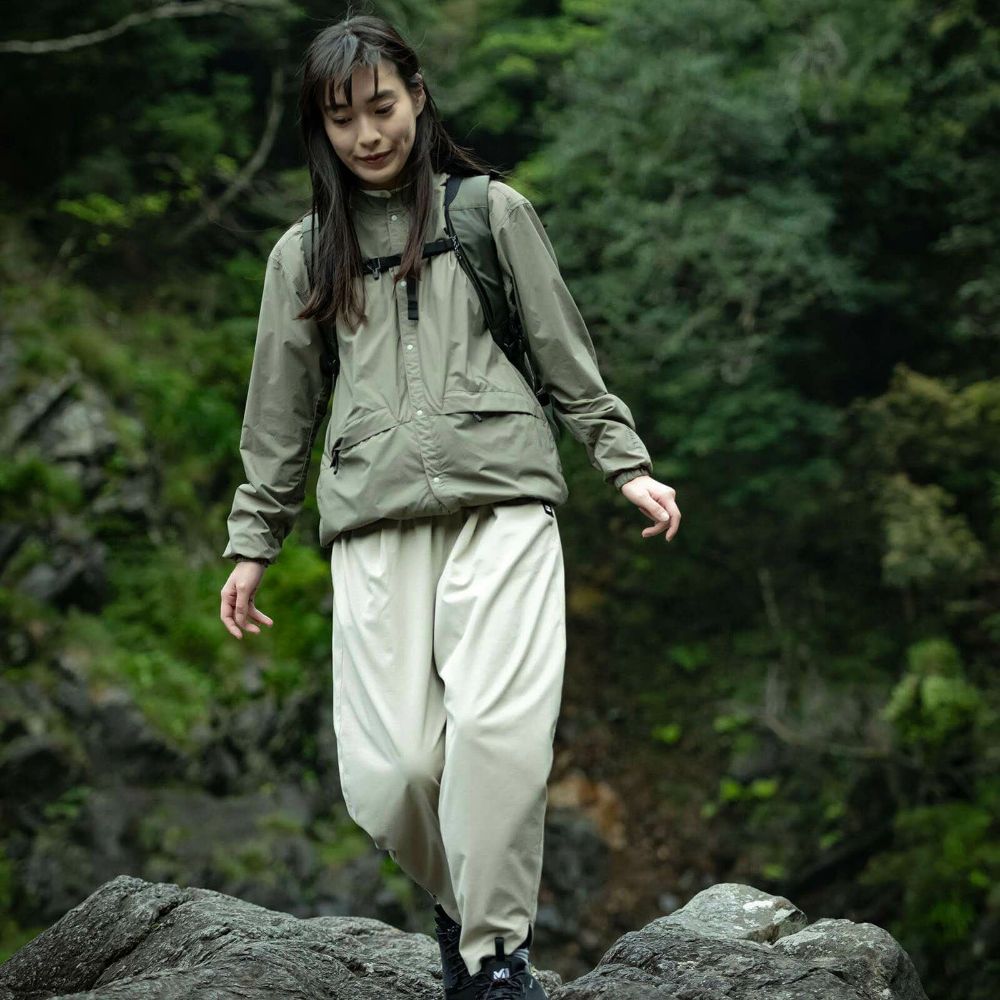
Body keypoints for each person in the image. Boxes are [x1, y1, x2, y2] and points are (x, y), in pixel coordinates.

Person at [219, 13, 681, 1000]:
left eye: (382, 106)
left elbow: (564, 356)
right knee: (390, 774)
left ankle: (492, 959)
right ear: (320, 129)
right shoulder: (301, 256)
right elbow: (279, 414)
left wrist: (624, 463)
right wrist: (254, 540)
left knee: (496, 736)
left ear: (418, 97)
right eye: (342, 118)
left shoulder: (491, 212)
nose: (367, 133)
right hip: (372, 517)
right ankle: (466, 906)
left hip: (504, 499)